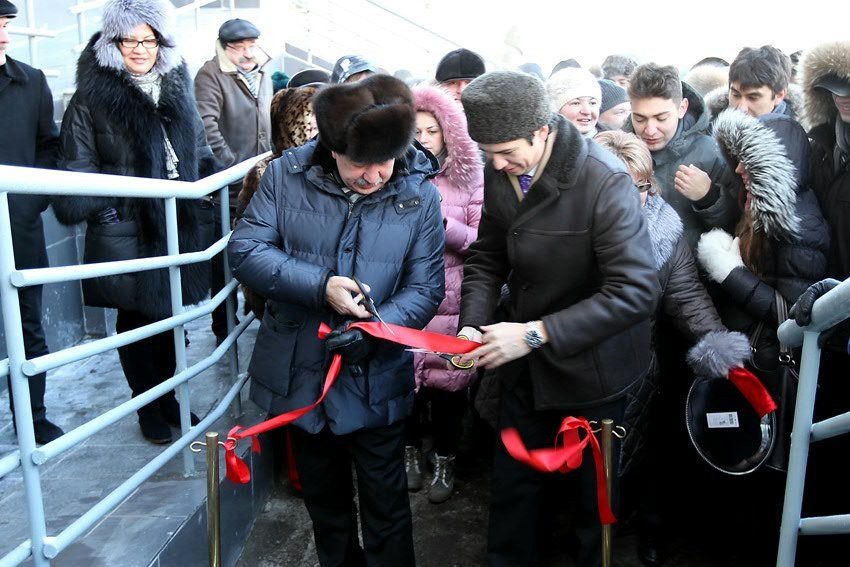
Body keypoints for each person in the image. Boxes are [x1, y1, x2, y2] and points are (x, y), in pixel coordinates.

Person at [228, 74, 445, 567]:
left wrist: (376, 331)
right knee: (325, 506)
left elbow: (426, 286)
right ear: (330, 148)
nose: (374, 176)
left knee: (387, 506)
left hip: (377, 373)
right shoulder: (285, 176)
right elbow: (246, 250)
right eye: (358, 164)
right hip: (302, 371)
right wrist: (319, 284)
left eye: (385, 162)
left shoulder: (419, 193)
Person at [456, 71, 658, 567]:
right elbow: (487, 256)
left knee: (592, 507)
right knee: (513, 495)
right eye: (487, 153)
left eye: (506, 152)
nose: (496, 165)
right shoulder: (500, 165)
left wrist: (535, 334)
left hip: (592, 372)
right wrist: (471, 325)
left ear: (542, 130)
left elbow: (635, 291)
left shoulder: (603, 180)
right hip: (523, 366)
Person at [52, 0, 216, 444]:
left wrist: (205, 190)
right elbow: (76, 165)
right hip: (127, 222)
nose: (141, 49)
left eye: (150, 39)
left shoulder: (176, 85)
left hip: (175, 220)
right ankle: (147, 405)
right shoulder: (92, 97)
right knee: (135, 318)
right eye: (131, 40)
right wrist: (103, 209)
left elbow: (199, 148)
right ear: (113, 42)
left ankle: (169, 397)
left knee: (170, 314)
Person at [595, 130, 750, 567]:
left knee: (639, 453)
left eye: (641, 185)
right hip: (576, 367)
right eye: (619, 187)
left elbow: (687, 297)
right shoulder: (566, 228)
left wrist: (721, 349)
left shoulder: (665, 230)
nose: (634, 198)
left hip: (635, 369)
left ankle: (645, 526)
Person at [695, 109, 829, 563]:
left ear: (774, 167)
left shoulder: (799, 224)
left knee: (763, 483)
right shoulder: (762, 208)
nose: (736, 170)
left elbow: (792, 313)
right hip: (753, 361)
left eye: (748, 161)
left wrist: (728, 270)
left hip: (771, 369)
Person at [404, 85, 484, 503]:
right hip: (406, 300)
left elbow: (482, 242)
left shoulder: (470, 180)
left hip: (451, 301)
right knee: (405, 388)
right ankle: (410, 454)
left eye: (432, 131)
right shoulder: (395, 176)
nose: (424, 139)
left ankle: (445, 459)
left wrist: (441, 224)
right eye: (415, 131)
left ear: (448, 133)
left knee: (448, 390)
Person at [0, 0, 64, 444]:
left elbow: (49, 147)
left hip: (19, 228)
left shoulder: (31, 80)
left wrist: (29, 201)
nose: (4, 35)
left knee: (27, 326)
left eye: (5, 24)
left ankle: (33, 416)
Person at [194, 17, 272, 344]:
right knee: (224, 263)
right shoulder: (210, 74)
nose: (247, 53)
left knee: (262, 252)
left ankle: (257, 315)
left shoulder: (263, 71)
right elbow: (206, 126)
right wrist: (233, 166)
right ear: (224, 48)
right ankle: (223, 326)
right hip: (228, 188)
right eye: (238, 47)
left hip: (260, 184)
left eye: (251, 45)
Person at [627, 62, 740, 250]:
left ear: (682, 108)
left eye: (661, 118)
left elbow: (734, 228)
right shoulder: (614, 152)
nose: (650, 130)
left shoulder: (713, 154)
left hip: (691, 265)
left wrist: (709, 197)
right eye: (640, 119)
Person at [727, 45, 797, 118]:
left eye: (752, 98)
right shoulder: (718, 117)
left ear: (779, 96)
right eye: (736, 95)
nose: (741, 108)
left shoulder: (800, 124)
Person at [545, 67, 601, 137]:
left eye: (592, 103)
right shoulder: (538, 142)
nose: (587, 111)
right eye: (576, 103)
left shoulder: (610, 141)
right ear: (555, 110)